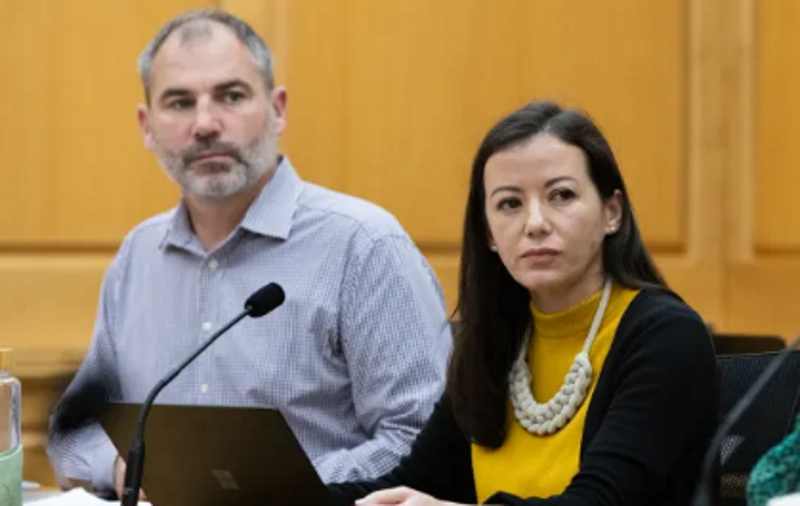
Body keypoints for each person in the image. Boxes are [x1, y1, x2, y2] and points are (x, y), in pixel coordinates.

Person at [47, 8, 451, 496]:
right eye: (178, 102)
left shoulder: (362, 245)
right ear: (146, 125)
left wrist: (255, 490)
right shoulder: (138, 257)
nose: (205, 124)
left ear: (278, 108)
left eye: (231, 96)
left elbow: (420, 441)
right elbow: (74, 432)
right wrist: (124, 466)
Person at [327, 101, 719, 506]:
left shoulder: (667, 338)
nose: (535, 223)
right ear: (490, 234)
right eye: (510, 204)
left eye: (561, 196)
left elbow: (602, 501)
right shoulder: (496, 342)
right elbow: (415, 485)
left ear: (611, 212)